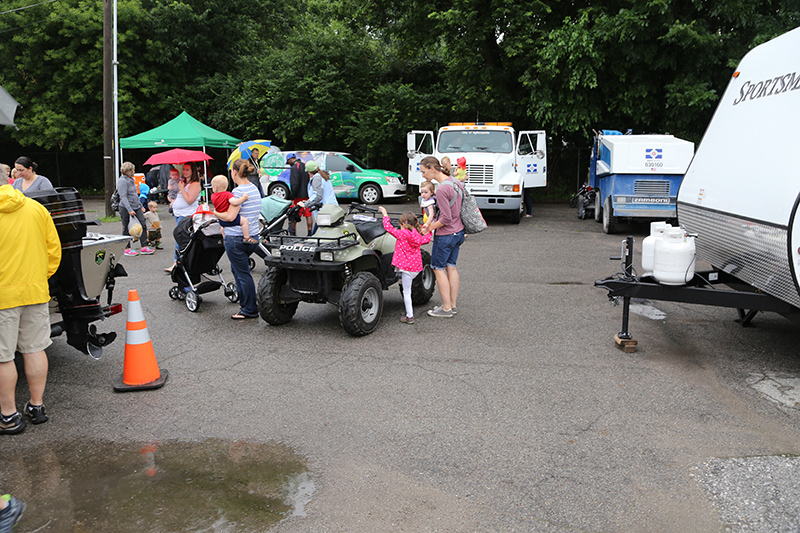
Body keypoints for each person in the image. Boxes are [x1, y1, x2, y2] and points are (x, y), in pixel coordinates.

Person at [0, 175, 61, 435]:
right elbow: (53, 251)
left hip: (3, 297)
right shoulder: (37, 209)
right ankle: (37, 406)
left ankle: (8, 416)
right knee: (35, 349)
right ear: (9, 181)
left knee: (3, 358)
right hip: (35, 291)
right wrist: (38, 277)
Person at [419, 156, 464, 318]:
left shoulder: (442, 189)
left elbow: (445, 218)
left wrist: (428, 228)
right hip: (458, 232)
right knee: (451, 266)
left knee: (438, 268)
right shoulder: (455, 181)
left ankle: (446, 309)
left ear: (432, 168)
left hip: (446, 235)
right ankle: (452, 305)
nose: (423, 175)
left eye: (424, 171)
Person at [221, 159, 262, 320]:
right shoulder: (254, 189)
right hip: (252, 236)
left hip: (236, 238)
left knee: (242, 273)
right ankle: (245, 303)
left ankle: (250, 308)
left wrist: (215, 214)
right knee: (238, 270)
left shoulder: (237, 193)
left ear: (234, 173)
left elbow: (230, 216)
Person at [377, 206, 432, 324]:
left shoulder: (402, 234)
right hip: (415, 268)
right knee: (405, 280)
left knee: (407, 292)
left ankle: (409, 316)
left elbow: (388, 228)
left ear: (402, 224)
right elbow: (426, 239)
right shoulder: (417, 235)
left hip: (406, 267)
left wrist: (385, 214)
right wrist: (430, 231)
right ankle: (401, 279)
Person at [166, 163, 201, 273]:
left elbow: (189, 200)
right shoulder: (183, 182)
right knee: (182, 238)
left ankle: (176, 262)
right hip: (178, 213)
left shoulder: (195, 184)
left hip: (186, 214)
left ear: (192, 171)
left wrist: (182, 188)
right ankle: (182, 261)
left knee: (179, 238)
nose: (184, 172)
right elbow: (175, 195)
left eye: (187, 170)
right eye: (184, 169)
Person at [117, 162, 154, 256]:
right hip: (125, 207)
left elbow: (135, 195)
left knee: (143, 224)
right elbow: (123, 197)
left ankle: (144, 247)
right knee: (126, 227)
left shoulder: (131, 180)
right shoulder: (122, 181)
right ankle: (127, 248)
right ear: (128, 171)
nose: (134, 171)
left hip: (136, 206)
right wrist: (129, 209)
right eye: (133, 170)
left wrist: (140, 206)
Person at [210, 174, 255, 243]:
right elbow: (234, 202)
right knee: (245, 221)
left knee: (222, 227)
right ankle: (246, 237)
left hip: (221, 220)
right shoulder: (227, 194)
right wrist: (243, 198)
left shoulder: (212, 196)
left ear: (215, 188)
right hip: (230, 219)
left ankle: (225, 239)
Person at [298, 161, 338, 232]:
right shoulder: (323, 175)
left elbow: (317, 195)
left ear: (309, 172)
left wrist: (305, 204)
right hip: (331, 208)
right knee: (318, 233)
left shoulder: (316, 178)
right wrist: (309, 200)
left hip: (324, 211)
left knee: (318, 235)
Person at [287, 153, 313, 235]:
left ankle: (293, 233)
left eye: (288, 162)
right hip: (307, 194)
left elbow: (294, 184)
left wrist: (292, 197)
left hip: (298, 195)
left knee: (294, 214)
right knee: (308, 214)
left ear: (291, 159)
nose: (289, 164)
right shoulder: (304, 165)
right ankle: (309, 234)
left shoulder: (295, 167)